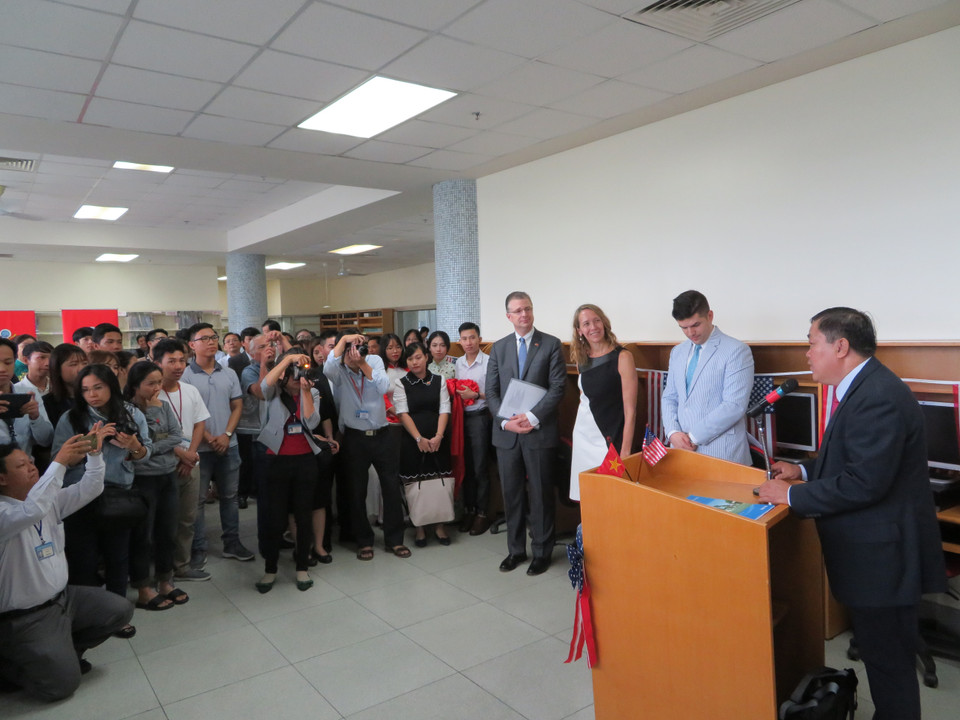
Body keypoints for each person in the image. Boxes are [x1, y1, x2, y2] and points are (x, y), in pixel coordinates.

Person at [758, 307, 946, 720]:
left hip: (884, 559)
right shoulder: (862, 387)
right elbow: (850, 458)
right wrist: (803, 470)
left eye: (811, 343)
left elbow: (865, 482)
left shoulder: (878, 395)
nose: (807, 353)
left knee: (889, 664)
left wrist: (790, 497)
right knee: (881, 658)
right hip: (873, 556)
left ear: (840, 346)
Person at [0, 430, 133, 701]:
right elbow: (31, 511)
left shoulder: (44, 501)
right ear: (1, 479)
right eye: (21, 465)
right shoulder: (7, 512)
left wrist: (95, 454)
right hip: (25, 617)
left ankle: (62, 653)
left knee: (118, 610)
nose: (31, 466)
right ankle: (11, 665)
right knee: (62, 687)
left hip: (64, 599)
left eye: (30, 461)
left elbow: (91, 488)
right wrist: (59, 462)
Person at [53, 363, 152, 638]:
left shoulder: (131, 413)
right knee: (82, 560)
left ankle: (117, 614)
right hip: (79, 498)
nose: (92, 395)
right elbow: (57, 460)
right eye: (85, 390)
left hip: (118, 496)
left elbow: (146, 454)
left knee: (118, 557)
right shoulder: (71, 418)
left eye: (98, 387)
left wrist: (133, 446)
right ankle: (88, 617)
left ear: (111, 386)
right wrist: (89, 446)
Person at [486, 291, 565, 575]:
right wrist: (506, 422)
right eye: (518, 311)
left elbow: (558, 388)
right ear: (509, 316)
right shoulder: (499, 348)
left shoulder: (551, 344)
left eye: (528, 309)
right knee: (512, 494)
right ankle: (516, 551)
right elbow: (491, 391)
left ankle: (542, 552)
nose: (524, 315)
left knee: (542, 494)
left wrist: (530, 417)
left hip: (538, 431)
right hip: (507, 434)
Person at [323, 332, 410, 560]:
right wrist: (343, 341)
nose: (356, 351)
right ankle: (364, 540)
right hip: (354, 438)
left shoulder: (373, 360)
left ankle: (395, 540)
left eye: (359, 346)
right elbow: (327, 369)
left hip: (382, 435)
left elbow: (382, 387)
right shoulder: (339, 368)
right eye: (350, 347)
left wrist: (362, 363)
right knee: (356, 491)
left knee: (390, 487)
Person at [181, 324, 253, 565]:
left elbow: (238, 406)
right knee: (198, 500)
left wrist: (226, 434)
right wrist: (209, 438)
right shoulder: (185, 376)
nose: (212, 342)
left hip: (228, 445)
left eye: (214, 337)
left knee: (230, 497)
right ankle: (198, 547)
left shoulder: (229, 373)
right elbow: (185, 414)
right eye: (205, 338)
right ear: (192, 345)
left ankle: (232, 543)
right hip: (198, 448)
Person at [255, 351, 325, 593]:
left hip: (305, 461)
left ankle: (302, 566)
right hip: (275, 461)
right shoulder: (274, 392)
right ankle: (270, 568)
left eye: (302, 370)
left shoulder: (312, 391)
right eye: (294, 372)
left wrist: (305, 391)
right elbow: (264, 386)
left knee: (303, 516)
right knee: (274, 518)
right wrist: (286, 361)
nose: (298, 376)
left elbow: (312, 421)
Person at [661, 290, 754, 464]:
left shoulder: (736, 351)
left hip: (722, 454)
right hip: (682, 452)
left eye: (696, 325)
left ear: (710, 316)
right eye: (684, 327)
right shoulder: (677, 352)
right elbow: (669, 397)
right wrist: (672, 433)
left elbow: (734, 405)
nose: (690, 333)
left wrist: (694, 437)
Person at [124, 361, 186, 610]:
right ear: (135, 385)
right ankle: (143, 588)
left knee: (167, 531)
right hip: (142, 479)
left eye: (159, 382)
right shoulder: (126, 410)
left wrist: (148, 449)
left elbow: (176, 435)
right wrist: (149, 446)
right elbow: (137, 442)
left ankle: (165, 582)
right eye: (151, 383)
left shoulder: (163, 405)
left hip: (168, 475)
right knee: (143, 535)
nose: (157, 388)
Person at [154, 339, 211, 582]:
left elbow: (200, 423)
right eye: (171, 361)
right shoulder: (151, 393)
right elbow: (151, 433)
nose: (178, 366)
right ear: (157, 363)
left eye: (181, 360)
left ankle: (182, 565)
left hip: (192, 462)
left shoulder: (190, 390)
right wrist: (181, 453)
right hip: (162, 465)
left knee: (188, 518)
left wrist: (192, 454)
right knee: (163, 521)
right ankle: (160, 568)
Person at [568, 304, 637, 501]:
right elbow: (585, 399)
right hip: (584, 437)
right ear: (579, 331)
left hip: (610, 437)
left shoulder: (623, 357)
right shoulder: (581, 360)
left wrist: (625, 451)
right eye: (586, 323)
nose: (593, 327)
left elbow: (630, 411)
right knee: (589, 497)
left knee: (612, 497)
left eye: (596, 320)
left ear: (604, 323)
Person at [394, 342, 452, 547]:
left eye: (418, 357)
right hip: (413, 440)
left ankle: (439, 525)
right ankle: (419, 527)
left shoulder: (439, 380)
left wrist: (438, 436)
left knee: (438, 481)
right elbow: (402, 413)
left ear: (426, 357)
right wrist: (419, 438)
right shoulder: (402, 382)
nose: (414, 362)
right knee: (416, 483)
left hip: (438, 438)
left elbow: (445, 409)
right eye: (410, 359)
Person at [454, 322, 492, 535]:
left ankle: (482, 513)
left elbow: (496, 394)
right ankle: (469, 510)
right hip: (461, 419)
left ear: (479, 339)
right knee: (464, 467)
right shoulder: (457, 363)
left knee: (479, 468)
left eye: (472, 338)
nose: (468, 342)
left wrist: (476, 395)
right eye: (464, 339)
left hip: (480, 417)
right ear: (460, 341)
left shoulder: (488, 362)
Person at [0, 338, 54, 461]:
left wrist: (35, 417)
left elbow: (46, 440)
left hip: (25, 471)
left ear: (15, 362)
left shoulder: (27, 393)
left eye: (8, 362)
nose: (2, 369)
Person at [42, 344, 88, 427]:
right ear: (57, 369)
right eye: (73, 364)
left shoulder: (94, 396)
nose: (81, 369)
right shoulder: (48, 403)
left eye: (84, 363)